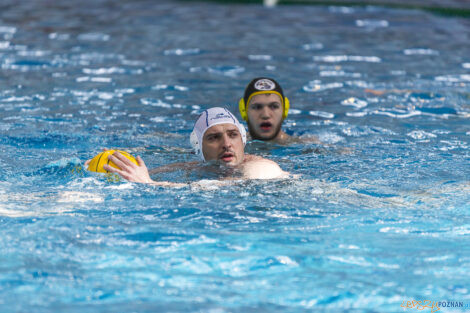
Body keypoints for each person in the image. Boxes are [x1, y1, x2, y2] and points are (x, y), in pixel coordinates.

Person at [101, 107, 289, 186]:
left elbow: (224, 190)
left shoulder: (261, 167)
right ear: (199, 148)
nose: (226, 144)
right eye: (214, 137)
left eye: (233, 135)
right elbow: (146, 172)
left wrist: (150, 184)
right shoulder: (197, 167)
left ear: (243, 141)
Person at [239, 77, 320, 145]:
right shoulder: (235, 145)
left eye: (274, 106)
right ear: (244, 111)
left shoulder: (306, 146)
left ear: (284, 110)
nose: (266, 115)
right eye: (257, 107)